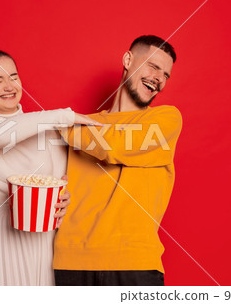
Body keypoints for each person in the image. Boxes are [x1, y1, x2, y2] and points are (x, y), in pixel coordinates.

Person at [0, 48, 100, 286]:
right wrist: (65, 116)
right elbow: (1, 135)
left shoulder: (46, 128)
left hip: (47, 243)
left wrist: (65, 199)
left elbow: (62, 181)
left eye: (13, 76)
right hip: (4, 240)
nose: (9, 85)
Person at [53, 35, 183, 286]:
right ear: (127, 60)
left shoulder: (167, 120)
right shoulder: (81, 125)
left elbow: (114, 146)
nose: (159, 78)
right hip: (70, 262)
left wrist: (61, 127)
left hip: (135, 264)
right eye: (153, 66)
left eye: (165, 75)